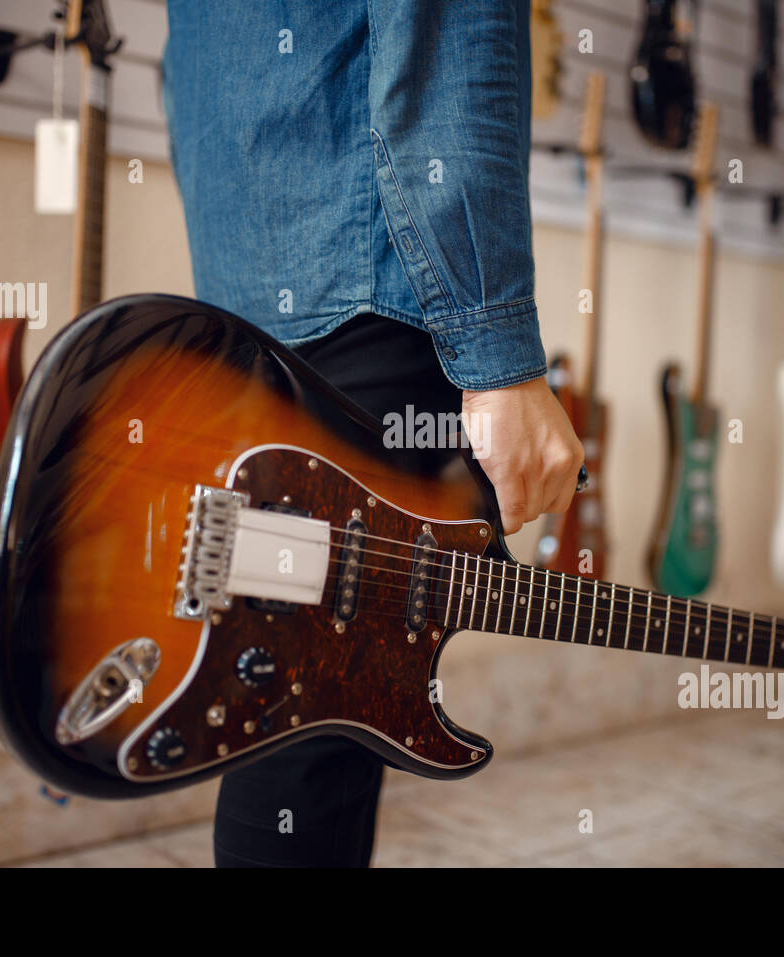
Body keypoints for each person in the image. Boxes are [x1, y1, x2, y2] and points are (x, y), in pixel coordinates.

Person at [161, 0, 583, 867]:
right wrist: (500, 357)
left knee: (300, 703)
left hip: (259, 276)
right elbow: (448, 32)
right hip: (362, 274)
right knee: (311, 714)